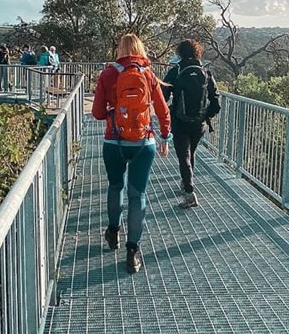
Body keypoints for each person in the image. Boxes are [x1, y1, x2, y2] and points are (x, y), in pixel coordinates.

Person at [92, 33, 172, 274]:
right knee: (138, 195)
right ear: (140, 50)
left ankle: (113, 232)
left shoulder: (108, 74)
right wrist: (165, 137)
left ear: (120, 50)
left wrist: (113, 112)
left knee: (116, 186)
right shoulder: (148, 74)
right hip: (143, 143)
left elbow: (96, 113)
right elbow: (162, 110)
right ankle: (133, 252)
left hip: (113, 142)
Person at [161, 39, 221, 209]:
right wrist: (204, 116)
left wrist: (168, 112)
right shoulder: (205, 72)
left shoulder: (176, 71)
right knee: (190, 153)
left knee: (184, 157)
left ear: (180, 53)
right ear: (197, 52)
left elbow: (163, 96)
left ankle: (189, 193)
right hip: (198, 124)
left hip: (180, 122)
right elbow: (216, 102)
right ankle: (187, 182)